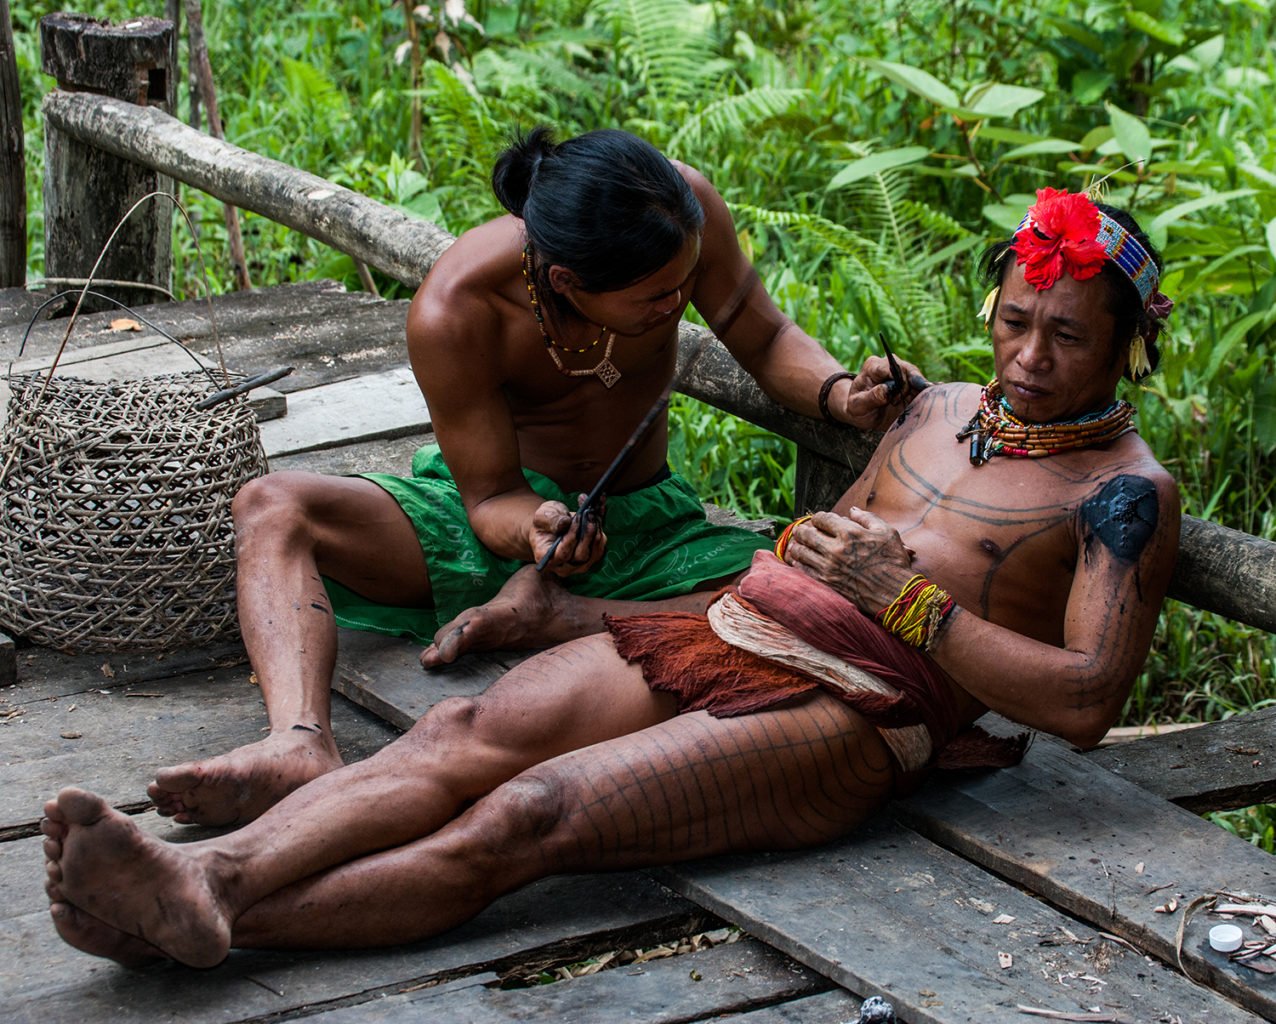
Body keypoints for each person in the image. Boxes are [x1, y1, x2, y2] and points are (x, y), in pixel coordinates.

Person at [42, 188, 1180, 970]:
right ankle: (210, 878)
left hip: (855, 714)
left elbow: (1083, 702)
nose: (1028, 358)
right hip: (737, 626)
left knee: (526, 815)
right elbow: (806, 563)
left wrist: (913, 605)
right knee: (461, 733)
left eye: (1067, 338)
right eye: (1016, 322)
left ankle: (195, 921)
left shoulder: (1123, 494)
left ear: (1129, 342)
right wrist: (588, 614)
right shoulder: (932, 410)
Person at [146, 126, 918, 827]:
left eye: (684, 284)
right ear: (564, 280)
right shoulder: (456, 310)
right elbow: (487, 498)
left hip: (651, 534)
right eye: (654, 299)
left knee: (832, 584)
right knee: (273, 504)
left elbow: (765, 331)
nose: (681, 303)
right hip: (499, 526)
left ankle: (558, 615)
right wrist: (535, 527)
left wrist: (841, 393)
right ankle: (297, 742)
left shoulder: (679, 217)